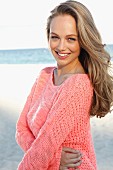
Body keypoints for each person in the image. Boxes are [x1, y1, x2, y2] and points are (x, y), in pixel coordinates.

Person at [15, 0, 113, 169]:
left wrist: (46, 155)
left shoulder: (79, 85)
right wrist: (55, 158)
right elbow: (21, 129)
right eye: (55, 37)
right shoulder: (44, 75)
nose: (61, 46)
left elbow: (45, 144)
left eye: (71, 39)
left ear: (83, 40)